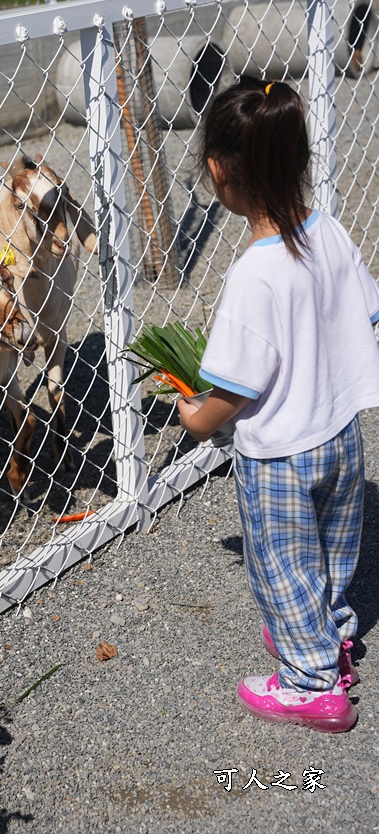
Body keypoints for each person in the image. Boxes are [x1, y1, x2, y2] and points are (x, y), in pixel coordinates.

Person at [178, 78, 379, 733]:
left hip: (281, 457)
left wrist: (195, 416)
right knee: (332, 553)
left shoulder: (252, 276)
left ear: (216, 170)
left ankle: (311, 683)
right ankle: (334, 641)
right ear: (299, 158)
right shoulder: (331, 234)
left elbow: (234, 388)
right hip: (341, 435)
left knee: (283, 568)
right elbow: (367, 310)